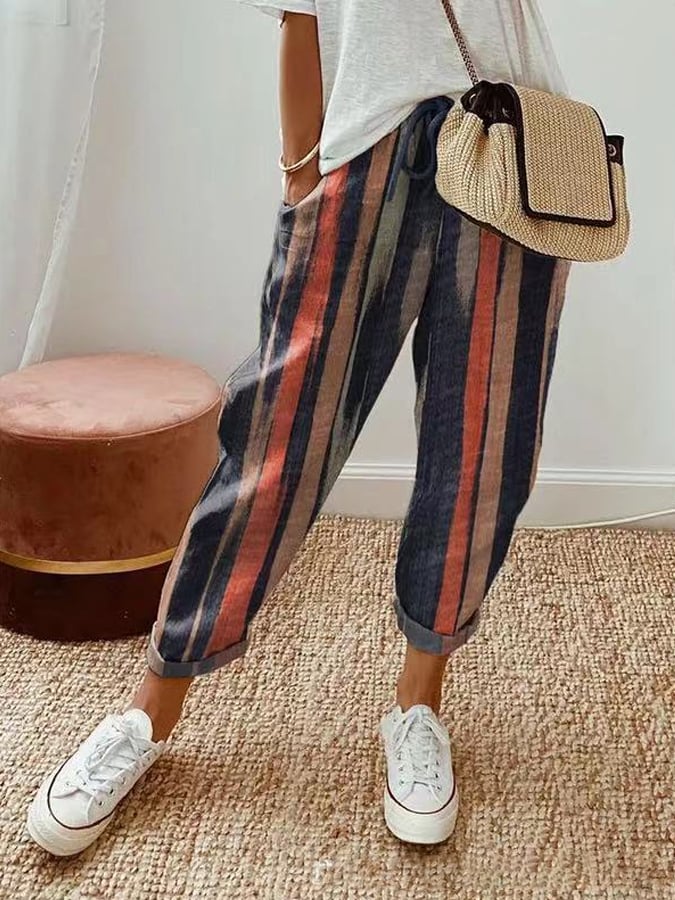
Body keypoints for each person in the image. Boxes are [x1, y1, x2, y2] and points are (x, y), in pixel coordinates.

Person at [27, 0, 570, 856]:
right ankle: (147, 712)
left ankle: (418, 705)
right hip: (362, 149)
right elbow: (299, 14)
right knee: (276, 441)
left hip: (507, 142)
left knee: (481, 448)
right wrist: (300, 170)